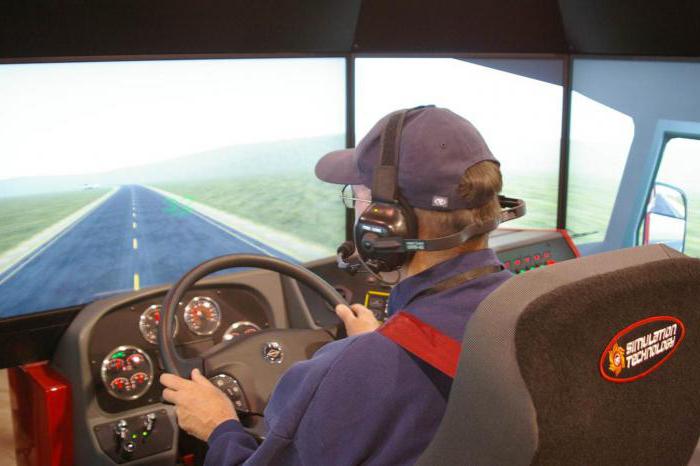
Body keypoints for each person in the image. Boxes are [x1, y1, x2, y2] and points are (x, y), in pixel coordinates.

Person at [160, 106, 515, 465]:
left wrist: (220, 427)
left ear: (386, 224)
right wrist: (383, 342)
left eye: (358, 197)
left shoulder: (347, 374)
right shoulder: (532, 311)